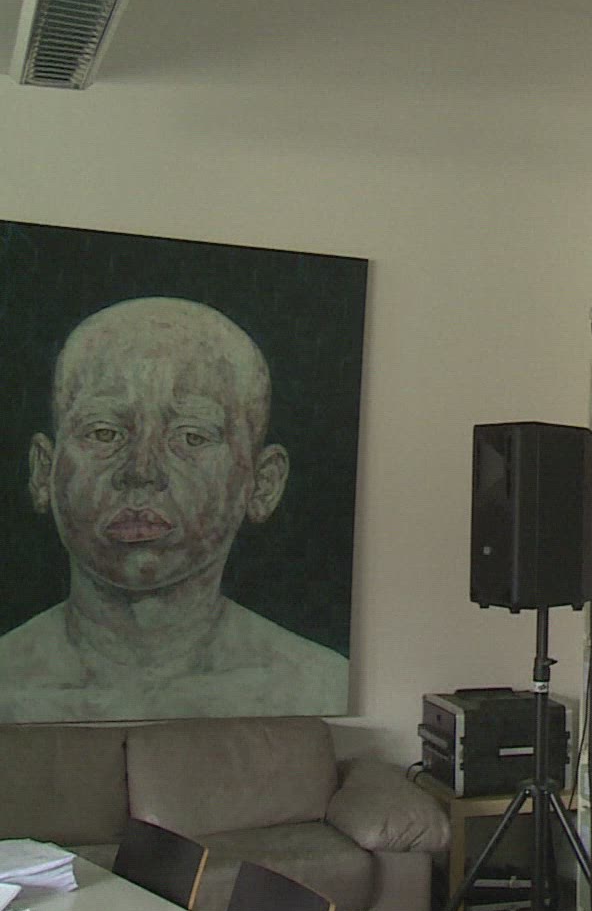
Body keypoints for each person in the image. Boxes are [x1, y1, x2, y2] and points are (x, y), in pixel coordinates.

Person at [0, 296, 347, 722]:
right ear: (43, 471)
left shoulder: (316, 684)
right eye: (104, 432)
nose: (141, 471)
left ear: (262, 483)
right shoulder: (10, 682)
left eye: (191, 437)